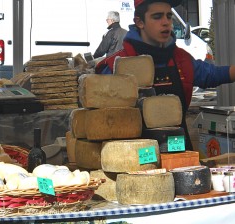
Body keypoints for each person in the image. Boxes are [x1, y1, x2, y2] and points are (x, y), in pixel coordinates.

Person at [95, 0, 235, 150]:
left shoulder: (181, 59)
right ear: (139, 22)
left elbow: (210, 74)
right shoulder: (115, 65)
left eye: (169, 16)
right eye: (157, 17)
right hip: (137, 158)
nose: (166, 23)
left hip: (179, 151)